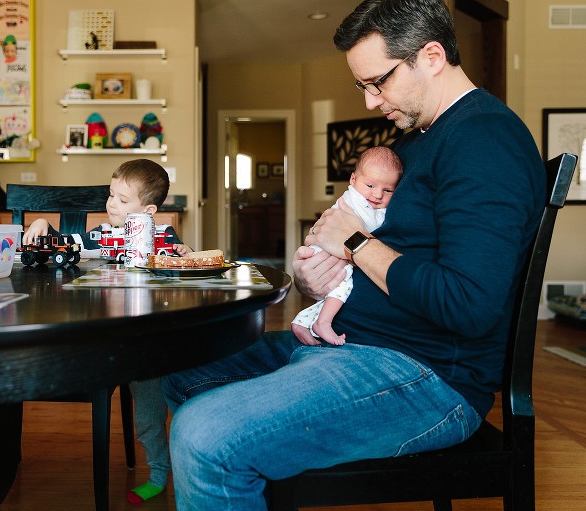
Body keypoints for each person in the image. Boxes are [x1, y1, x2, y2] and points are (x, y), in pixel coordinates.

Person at [162, 0, 547, 509]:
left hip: (425, 378)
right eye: (362, 86)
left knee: (203, 435)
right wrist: (320, 282)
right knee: (179, 365)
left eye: (378, 82)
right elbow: (391, 253)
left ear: (431, 55)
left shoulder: (485, 141)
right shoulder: (415, 142)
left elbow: (468, 304)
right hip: (351, 343)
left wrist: (356, 243)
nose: (370, 102)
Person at [22, 158, 190, 506]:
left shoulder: (164, 237)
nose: (111, 203)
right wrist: (41, 223)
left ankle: (174, 471)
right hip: (117, 344)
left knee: (170, 410)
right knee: (149, 418)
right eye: (111, 194)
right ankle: (160, 472)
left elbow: (184, 263)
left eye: (122, 199)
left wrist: (184, 253)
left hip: (155, 339)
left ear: (148, 210)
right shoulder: (101, 235)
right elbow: (65, 244)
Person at [292, 146, 402, 346]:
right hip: (329, 249)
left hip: (334, 247)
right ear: (353, 180)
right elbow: (370, 229)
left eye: (388, 190)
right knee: (344, 284)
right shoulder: (355, 199)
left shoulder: (363, 195)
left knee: (336, 289)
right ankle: (323, 323)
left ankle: (302, 321)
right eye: (370, 185)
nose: (377, 195)